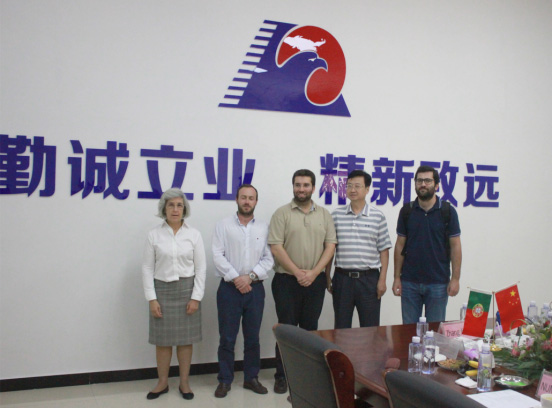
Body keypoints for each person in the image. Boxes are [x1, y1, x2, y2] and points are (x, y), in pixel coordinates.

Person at [268, 169, 337, 394]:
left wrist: (315, 273)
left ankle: (307, 375)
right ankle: (282, 375)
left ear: (313, 188)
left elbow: (330, 246)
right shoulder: (282, 213)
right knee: (286, 330)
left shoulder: (324, 215)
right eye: (298, 185)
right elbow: (276, 247)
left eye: (306, 185)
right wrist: (298, 273)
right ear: (293, 187)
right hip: (286, 281)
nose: (301, 189)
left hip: (315, 282)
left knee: (310, 331)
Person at [142, 188, 206, 400]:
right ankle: (162, 382)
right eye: (171, 205)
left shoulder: (194, 234)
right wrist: (152, 299)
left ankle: (184, 383)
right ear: (164, 208)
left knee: (185, 341)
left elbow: (201, 268)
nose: (175, 209)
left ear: (184, 209)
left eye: (179, 205)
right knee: (162, 341)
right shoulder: (154, 235)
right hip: (161, 291)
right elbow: (147, 269)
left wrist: (196, 297)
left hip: (187, 291)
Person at [212, 184, 274, 398]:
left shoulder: (264, 227)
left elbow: (269, 258)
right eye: (243, 197)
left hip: (255, 289)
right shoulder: (223, 225)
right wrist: (236, 278)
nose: (247, 201)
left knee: (253, 338)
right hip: (229, 289)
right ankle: (225, 380)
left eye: (251, 198)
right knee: (227, 338)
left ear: (256, 201)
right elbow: (217, 255)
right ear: (237, 199)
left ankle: (251, 378)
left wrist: (251, 277)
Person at [392, 165, 462, 324]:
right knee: (409, 332)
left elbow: (456, 247)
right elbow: (400, 245)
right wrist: (396, 277)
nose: (423, 184)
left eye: (428, 181)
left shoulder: (448, 211)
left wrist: (455, 278)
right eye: (419, 181)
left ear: (436, 185)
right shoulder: (407, 211)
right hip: (409, 282)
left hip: (438, 283)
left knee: (435, 332)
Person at [326, 170, 392, 328]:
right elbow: (330, 249)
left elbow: (384, 251)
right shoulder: (336, 215)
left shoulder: (377, 216)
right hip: (342, 279)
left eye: (357, 186)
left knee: (370, 328)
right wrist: (327, 276)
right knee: (341, 327)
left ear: (367, 189)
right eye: (349, 186)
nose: (352, 190)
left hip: (369, 279)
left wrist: (382, 280)